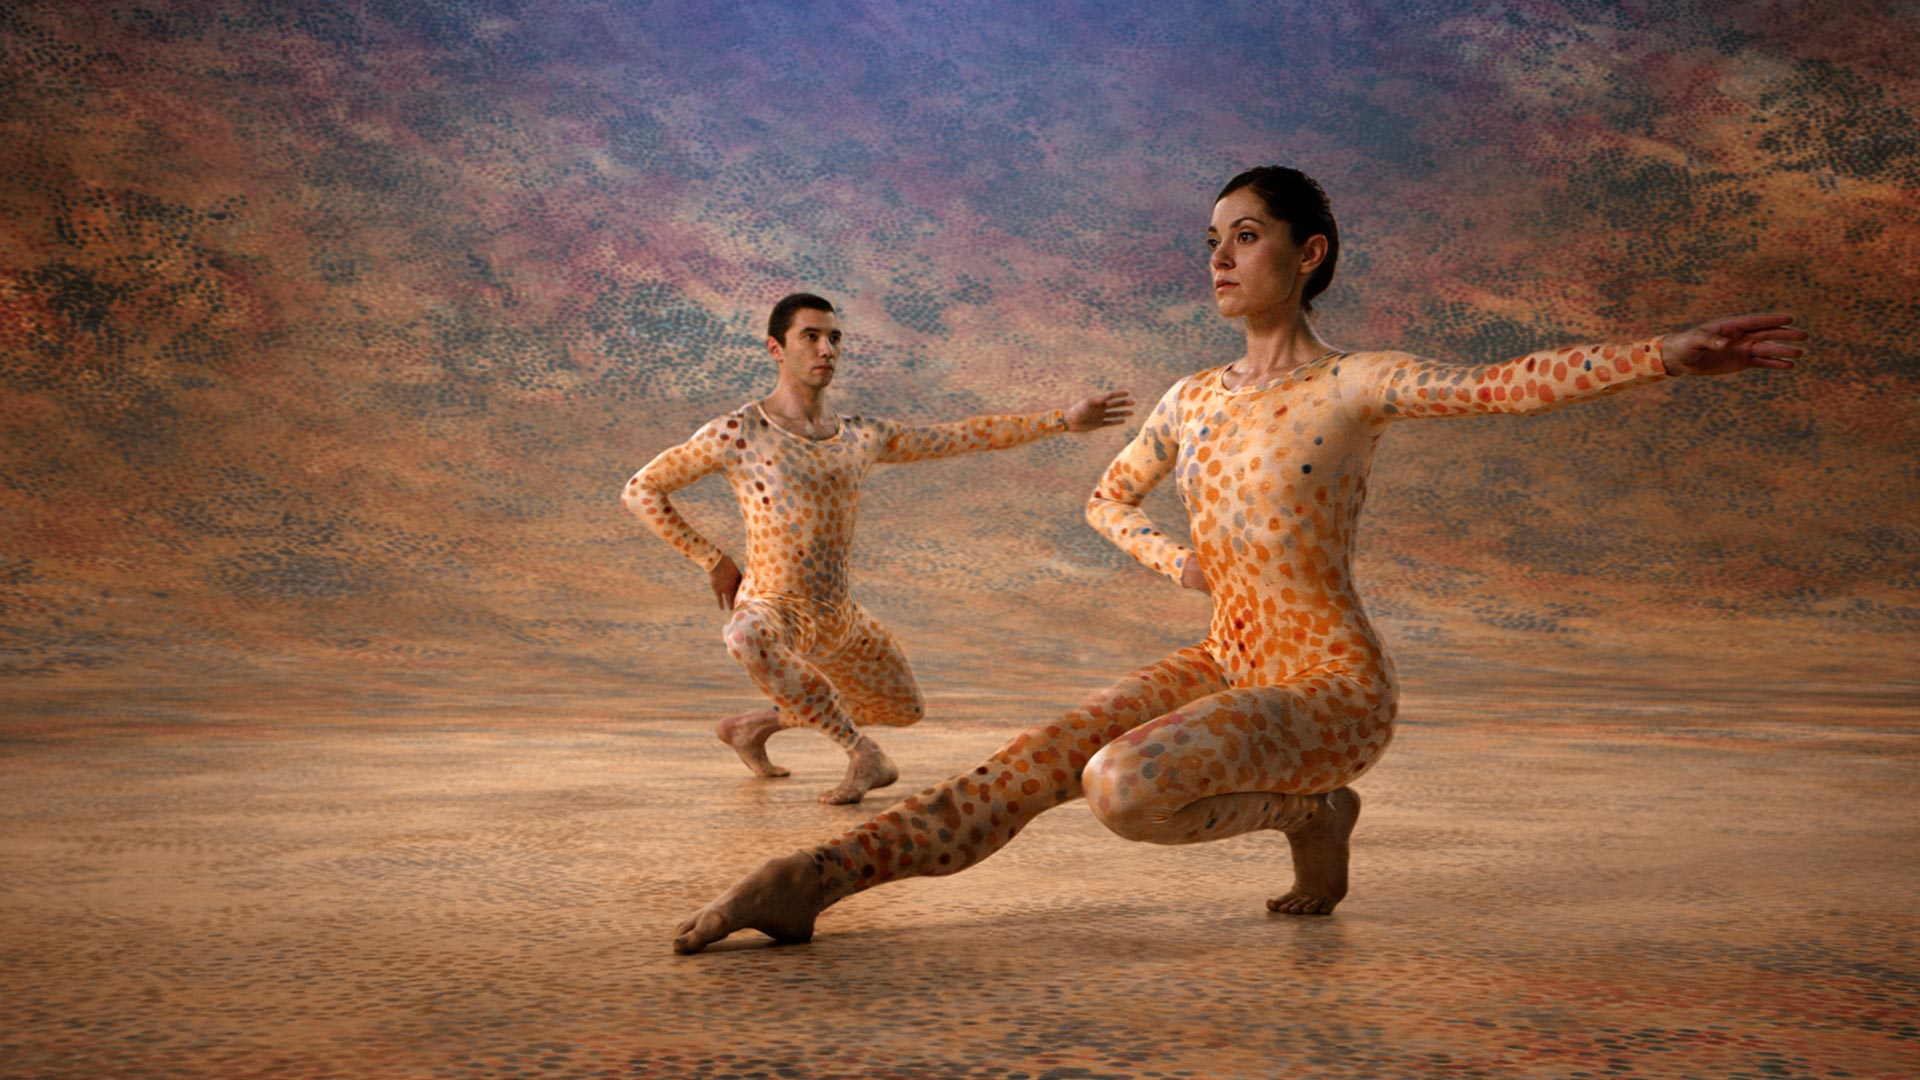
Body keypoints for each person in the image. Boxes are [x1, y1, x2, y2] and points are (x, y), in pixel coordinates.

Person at [668, 169, 1806, 953]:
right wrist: (1175, 562)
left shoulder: (1354, 384)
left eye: (1245, 236)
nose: (1218, 255)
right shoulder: (1193, 398)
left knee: (1123, 785)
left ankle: (1312, 813)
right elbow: (1106, 498)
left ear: (1309, 255)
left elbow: (1502, 383)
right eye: (1210, 239)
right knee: (1028, 765)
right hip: (1226, 654)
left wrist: (1662, 355)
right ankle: (813, 884)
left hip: (1328, 686)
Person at [624, 293, 1134, 804]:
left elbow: (959, 436)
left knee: (904, 708)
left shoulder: (861, 436)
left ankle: (753, 726)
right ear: (775, 348)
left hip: (839, 617)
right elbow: (641, 489)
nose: (827, 349)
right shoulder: (738, 432)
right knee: (743, 636)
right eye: (811, 337)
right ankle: (861, 753)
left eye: (835, 338)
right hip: (772, 607)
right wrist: (712, 559)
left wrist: (1062, 421)